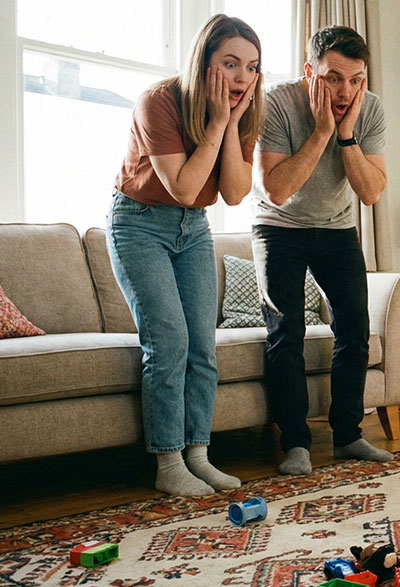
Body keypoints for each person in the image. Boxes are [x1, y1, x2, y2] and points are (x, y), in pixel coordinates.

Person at [107, 14, 263, 496]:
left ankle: (199, 454)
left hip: (192, 227)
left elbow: (234, 194)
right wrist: (219, 122)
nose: (242, 78)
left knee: (203, 345)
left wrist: (234, 123)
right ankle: (169, 463)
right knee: (169, 342)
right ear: (204, 61)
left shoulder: (247, 112)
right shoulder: (159, 101)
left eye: (252, 67)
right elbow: (185, 184)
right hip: (138, 223)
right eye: (230, 64)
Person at [251, 25, 391, 475]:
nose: (345, 90)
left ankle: (348, 436)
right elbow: (277, 189)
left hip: (336, 226)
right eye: (333, 78)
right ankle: (296, 444)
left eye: (355, 79)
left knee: (355, 327)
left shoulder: (369, 110)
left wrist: (346, 135)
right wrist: (322, 130)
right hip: (279, 227)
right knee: (284, 331)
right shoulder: (275, 103)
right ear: (309, 72)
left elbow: (370, 192)